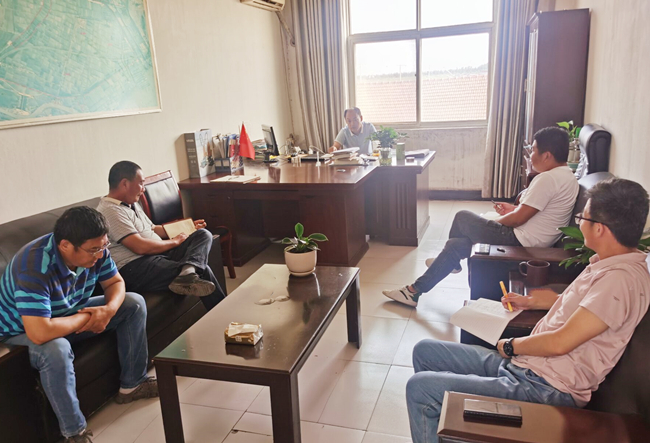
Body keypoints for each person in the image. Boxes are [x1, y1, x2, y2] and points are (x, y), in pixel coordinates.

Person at [405, 178, 650, 443]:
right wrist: (534, 302)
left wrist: (512, 345)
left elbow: (560, 342)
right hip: (531, 367)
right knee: (425, 351)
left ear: (599, 229)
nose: (580, 223)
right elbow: (589, 310)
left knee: (421, 389)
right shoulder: (610, 265)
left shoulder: (619, 281)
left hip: (546, 387)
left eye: (583, 218)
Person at [0, 207, 158, 443]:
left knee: (133, 303)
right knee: (57, 348)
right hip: (21, 330)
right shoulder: (34, 266)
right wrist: (89, 318)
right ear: (65, 245)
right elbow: (40, 332)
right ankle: (74, 433)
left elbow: (115, 282)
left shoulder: (97, 249)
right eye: (94, 249)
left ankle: (133, 385)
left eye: (103, 246)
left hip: (66, 313)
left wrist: (108, 310)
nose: (100, 254)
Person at [383, 126, 579, 307]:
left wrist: (492, 223)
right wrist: (513, 209)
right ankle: (414, 291)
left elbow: (518, 220)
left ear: (547, 155)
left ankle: (451, 264)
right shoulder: (567, 176)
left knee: (463, 217)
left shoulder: (548, 179)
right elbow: (536, 212)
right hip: (531, 239)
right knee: (455, 246)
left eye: (533, 150)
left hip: (521, 241)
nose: (531, 155)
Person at [96, 161, 225, 311]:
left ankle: (188, 271)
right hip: (135, 266)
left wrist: (188, 227)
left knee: (202, 234)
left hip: (157, 256)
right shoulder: (110, 210)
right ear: (125, 183)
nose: (143, 189)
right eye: (141, 183)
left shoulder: (131, 203)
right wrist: (174, 242)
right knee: (203, 271)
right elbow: (139, 247)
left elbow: (153, 229)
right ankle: (224, 315)